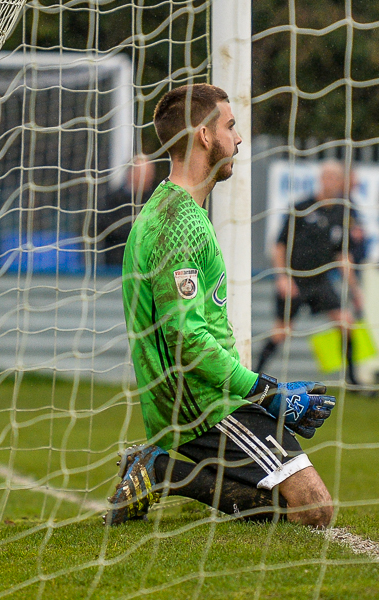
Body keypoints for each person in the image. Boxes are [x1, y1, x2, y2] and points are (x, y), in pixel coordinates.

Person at [106, 84, 336, 528]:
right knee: (313, 509)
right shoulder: (177, 223)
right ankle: (161, 471)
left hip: (207, 395)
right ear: (205, 136)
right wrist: (268, 393)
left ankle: (160, 472)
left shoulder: (178, 210)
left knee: (286, 508)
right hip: (200, 404)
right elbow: (186, 338)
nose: (239, 137)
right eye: (230, 126)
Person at [254, 160, 367, 388]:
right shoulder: (301, 207)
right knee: (281, 332)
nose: (331, 182)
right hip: (294, 280)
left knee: (346, 323)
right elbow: (279, 246)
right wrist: (282, 277)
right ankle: (255, 376)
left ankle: (352, 380)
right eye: (327, 177)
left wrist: (356, 292)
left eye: (336, 178)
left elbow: (342, 256)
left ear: (341, 182)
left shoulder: (342, 213)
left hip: (320, 282)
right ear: (321, 179)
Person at [98, 154, 156, 267]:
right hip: (115, 265)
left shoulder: (156, 201)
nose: (147, 177)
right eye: (142, 173)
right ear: (130, 173)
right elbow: (103, 227)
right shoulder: (113, 200)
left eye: (149, 173)